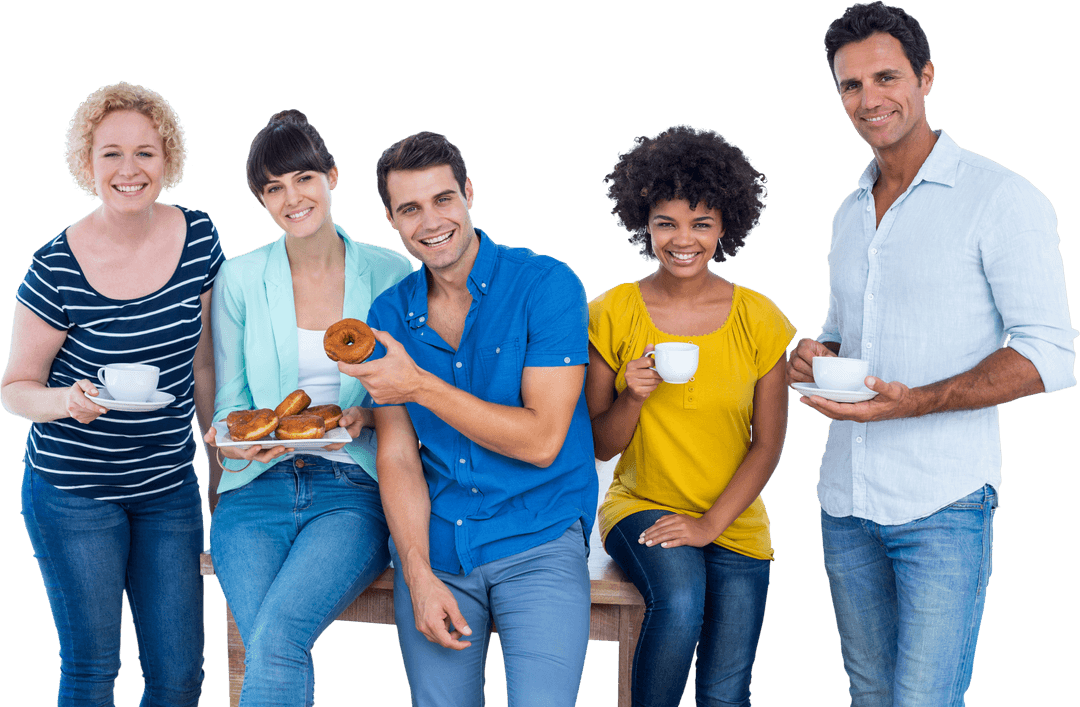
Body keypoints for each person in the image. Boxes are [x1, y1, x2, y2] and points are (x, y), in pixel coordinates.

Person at [787, 4, 1077, 705]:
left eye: (886, 77)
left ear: (926, 77)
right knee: (869, 697)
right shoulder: (849, 209)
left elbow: (1048, 352)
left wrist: (918, 400)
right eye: (850, 86)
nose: (869, 100)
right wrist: (817, 352)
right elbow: (847, 329)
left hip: (942, 504)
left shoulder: (1001, 199)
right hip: (846, 502)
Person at [341, 131, 598, 707]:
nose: (430, 221)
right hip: (439, 549)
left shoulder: (546, 285)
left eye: (443, 199)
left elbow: (542, 440)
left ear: (469, 195)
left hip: (538, 537)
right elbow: (400, 458)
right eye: (410, 208)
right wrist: (418, 574)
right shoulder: (389, 314)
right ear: (391, 219)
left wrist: (420, 385)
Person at [0, 81, 221, 706]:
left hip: (166, 490)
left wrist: (215, 462)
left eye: (146, 153)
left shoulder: (199, 238)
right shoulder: (56, 267)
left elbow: (205, 363)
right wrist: (64, 400)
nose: (130, 170)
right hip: (74, 494)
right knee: (94, 673)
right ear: (86, 163)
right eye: (111, 154)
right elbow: (15, 388)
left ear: (168, 159)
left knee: (179, 679)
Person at [203, 109, 412, 706]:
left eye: (303, 179)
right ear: (262, 200)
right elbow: (233, 404)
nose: (291, 198)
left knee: (276, 642)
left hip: (352, 488)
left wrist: (367, 416)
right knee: (272, 645)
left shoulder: (390, 272)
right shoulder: (241, 279)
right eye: (273, 188)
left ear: (332, 177)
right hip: (255, 488)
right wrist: (232, 440)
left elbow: (414, 388)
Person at [585, 125, 795, 707]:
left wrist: (708, 525)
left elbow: (767, 446)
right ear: (644, 224)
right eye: (666, 223)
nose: (684, 240)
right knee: (678, 605)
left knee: (726, 694)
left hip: (736, 522)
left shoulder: (760, 319)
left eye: (701, 224)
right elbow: (600, 445)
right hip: (643, 507)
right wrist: (632, 396)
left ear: (726, 226)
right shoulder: (612, 312)